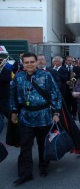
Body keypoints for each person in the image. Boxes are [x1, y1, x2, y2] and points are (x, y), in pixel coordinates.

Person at [9, 53, 62, 185]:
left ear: (36, 62)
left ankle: (43, 167)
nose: (29, 64)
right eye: (26, 62)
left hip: (43, 115)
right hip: (25, 116)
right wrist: (13, 111)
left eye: (32, 62)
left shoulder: (46, 75)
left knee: (43, 144)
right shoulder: (19, 77)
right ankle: (26, 173)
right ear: (22, 63)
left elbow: (55, 94)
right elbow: (13, 95)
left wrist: (56, 112)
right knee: (25, 145)